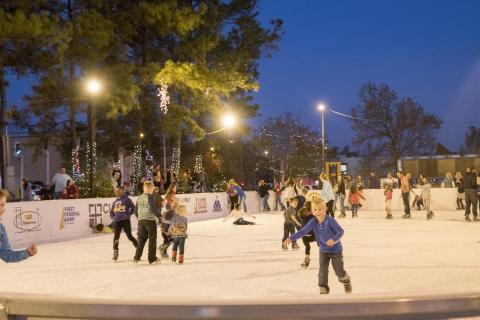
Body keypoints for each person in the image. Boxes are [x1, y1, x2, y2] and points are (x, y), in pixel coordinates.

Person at [284, 197, 352, 295]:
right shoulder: (313, 221)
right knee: (322, 271)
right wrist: (291, 238)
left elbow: (341, 231)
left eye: (320, 209)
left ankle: (345, 280)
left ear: (325, 209)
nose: (318, 212)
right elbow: (303, 231)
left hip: (335, 250)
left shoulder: (330, 220)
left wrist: (333, 239)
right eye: (315, 210)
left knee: (338, 271)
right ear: (312, 211)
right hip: (323, 250)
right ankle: (323, 288)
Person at [0, 189, 37, 262]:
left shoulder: (1, 229)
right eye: (1, 205)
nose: (4, 210)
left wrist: (27, 253)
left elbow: (6, 254)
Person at [133, 181, 162, 264]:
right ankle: (152, 258)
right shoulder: (150, 197)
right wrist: (160, 216)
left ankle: (136, 257)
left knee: (141, 240)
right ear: (151, 189)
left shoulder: (139, 197)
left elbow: (135, 211)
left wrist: (140, 218)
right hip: (150, 220)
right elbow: (152, 209)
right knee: (152, 239)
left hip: (141, 221)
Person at [110, 187, 138, 261]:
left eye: (118, 190)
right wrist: (113, 217)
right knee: (116, 237)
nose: (117, 192)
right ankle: (115, 251)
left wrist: (128, 214)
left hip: (126, 221)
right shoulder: (115, 201)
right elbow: (111, 212)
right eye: (116, 191)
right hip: (117, 222)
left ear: (122, 191)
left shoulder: (127, 200)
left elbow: (133, 208)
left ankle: (138, 247)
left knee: (129, 236)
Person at [298, 203, 317, 268]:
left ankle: (306, 259)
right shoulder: (313, 217)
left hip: (305, 236)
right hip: (313, 235)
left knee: (307, 247)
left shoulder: (301, 216)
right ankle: (325, 255)